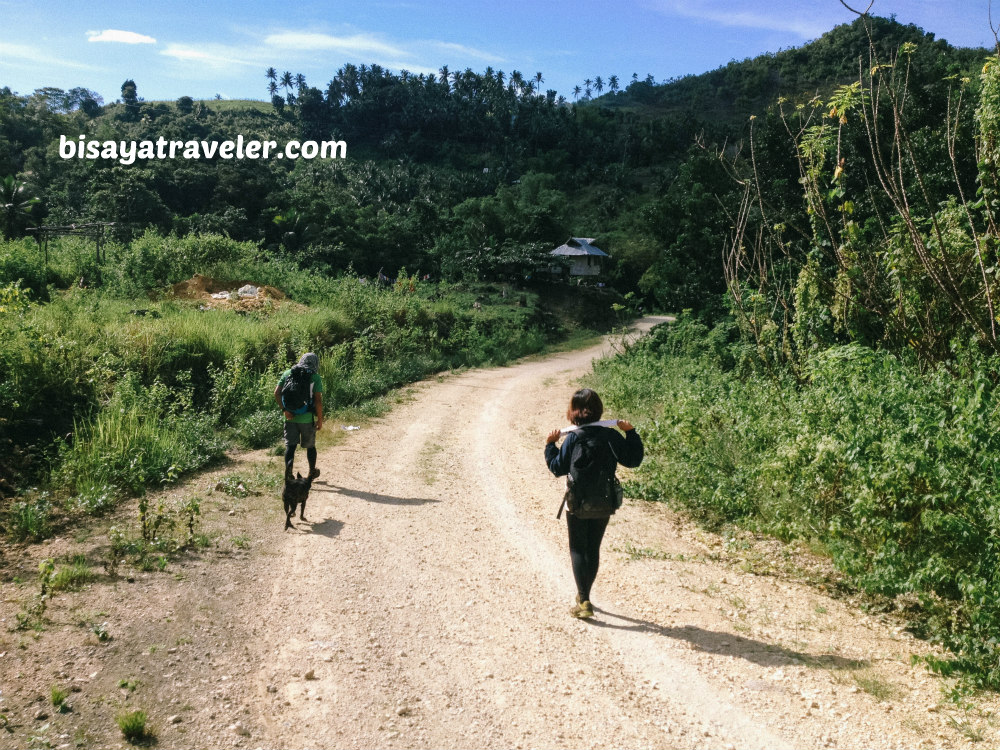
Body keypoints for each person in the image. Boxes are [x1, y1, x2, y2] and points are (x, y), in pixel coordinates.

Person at [545, 388, 643, 619]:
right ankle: (585, 597)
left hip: (576, 503)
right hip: (604, 500)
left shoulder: (572, 438)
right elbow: (633, 459)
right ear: (599, 411)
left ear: (573, 412)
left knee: (578, 548)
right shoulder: (610, 436)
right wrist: (631, 433)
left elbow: (557, 468)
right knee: (593, 548)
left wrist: (550, 445)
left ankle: (584, 598)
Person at [274, 352, 324, 481]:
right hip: (306, 418)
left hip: (289, 417)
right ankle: (311, 472)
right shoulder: (315, 377)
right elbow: (318, 401)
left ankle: (288, 474)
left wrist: (284, 410)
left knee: (290, 447)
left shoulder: (287, 373)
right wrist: (320, 419)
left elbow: (276, 393)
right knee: (310, 447)